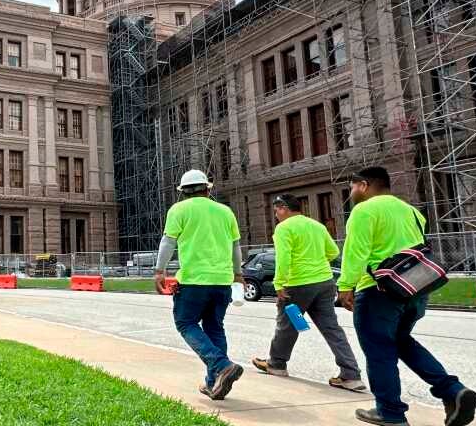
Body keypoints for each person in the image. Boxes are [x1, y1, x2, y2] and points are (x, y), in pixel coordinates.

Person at [339, 167, 476, 426]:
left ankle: (389, 412)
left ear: (364, 185)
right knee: (401, 341)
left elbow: (357, 251)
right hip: (414, 290)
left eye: (352, 187)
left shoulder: (364, 210)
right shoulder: (412, 212)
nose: (351, 193)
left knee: (379, 350)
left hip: (379, 291)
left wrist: (346, 286)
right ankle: (453, 391)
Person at [251, 194, 365, 392]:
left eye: (277, 210)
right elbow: (333, 253)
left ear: (284, 208)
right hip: (324, 284)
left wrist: (279, 283)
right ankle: (351, 375)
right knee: (331, 328)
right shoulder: (317, 226)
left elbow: (284, 258)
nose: (276, 214)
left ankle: (277, 364)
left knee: (288, 325)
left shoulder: (284, 228)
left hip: (297, 287)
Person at [155, 169, 244, 400]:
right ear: (208, 188)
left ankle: (222, 365)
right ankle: (214, 383)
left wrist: (159, 271)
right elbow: (235, 247)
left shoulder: (179, 210)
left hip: (194, 280)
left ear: (183, 192)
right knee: (215, 327)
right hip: (222, 281)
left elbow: (168, 241)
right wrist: (238, 273)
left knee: (186, 323)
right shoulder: (225, 212)